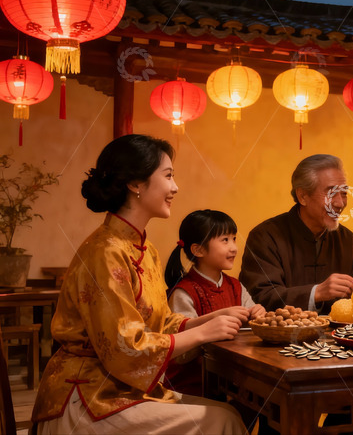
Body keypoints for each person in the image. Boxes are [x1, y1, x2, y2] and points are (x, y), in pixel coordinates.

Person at [31, 135, 248, 434]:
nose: (175, 187)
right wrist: (204, 334)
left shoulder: (143, 249)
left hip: (119, 388)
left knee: (228, 412)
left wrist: (208, 320)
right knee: (224, 420)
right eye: (168, 176)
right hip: (88, 397)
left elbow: (156, 324)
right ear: (135, 184)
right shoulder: (105, 251)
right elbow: (125, 347)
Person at [240, 154, 353, 314]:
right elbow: (260, 298)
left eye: (344, 193)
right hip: (280, 338)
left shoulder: (346, 239)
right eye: (331, 193)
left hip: (337, 337)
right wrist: (316, 293)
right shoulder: (265, 236)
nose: (340, 203)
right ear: (302, 196)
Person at [163, 209, 266, 396]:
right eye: (225, 240)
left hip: (231, 379)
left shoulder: (235, 286)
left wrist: (258, 315)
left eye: (233, 238)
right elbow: (183, 354)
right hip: (194, 385)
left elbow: (253, 323)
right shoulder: (184, 292)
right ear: (198, 249)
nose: (233, 247)